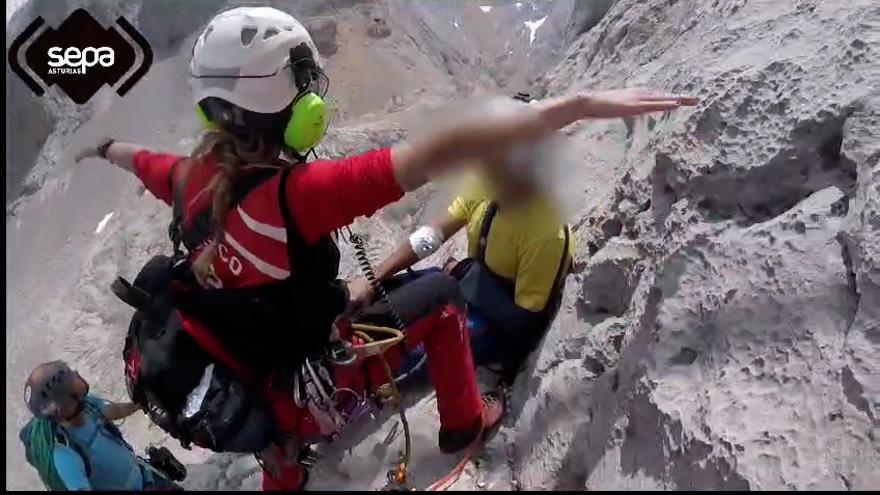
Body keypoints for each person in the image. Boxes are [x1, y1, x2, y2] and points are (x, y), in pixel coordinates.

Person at [75, 6, 696, 490]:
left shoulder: (187, 178)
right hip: (306, 385)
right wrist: (576, 107)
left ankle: (284, 463)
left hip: (244, 376)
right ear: (285, 105)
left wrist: (105, 150)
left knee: (320, 345)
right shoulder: (300, 195)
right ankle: (463, 426)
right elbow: (442, 152)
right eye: (302, 79)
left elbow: (139, 160)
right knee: (444, 295)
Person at [348, 95, 579, 384]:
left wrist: (466, 277)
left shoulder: (546, 232)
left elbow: (524, 324)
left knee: (400, 352)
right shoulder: (488, 185)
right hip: (462, 289)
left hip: (488, 320)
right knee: (382, 299)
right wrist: (375, 278)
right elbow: (434, 234)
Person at [19, 361, 182, 491]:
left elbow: (113, 411)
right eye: (72, 384)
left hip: (142, 476)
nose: (77, 378)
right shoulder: (63, 452)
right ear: (63, 406)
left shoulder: (86, 405)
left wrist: (139, 404)